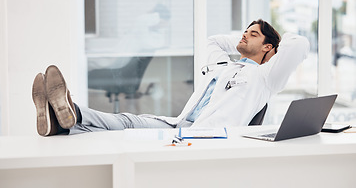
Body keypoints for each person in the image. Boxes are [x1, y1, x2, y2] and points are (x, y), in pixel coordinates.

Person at [32, 19, 310, 136]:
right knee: (126, 122)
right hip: (178, 124)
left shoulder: (265, 78)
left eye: (253, 34)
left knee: (122, 134)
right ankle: (67, 119)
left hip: (203, 138)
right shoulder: (222, 65)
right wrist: (246, 38)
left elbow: (298, 45)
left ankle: (65, 117)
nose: (243, 36)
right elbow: (213, 41)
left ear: (268, 47)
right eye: (244, 31)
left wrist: (269, 53)